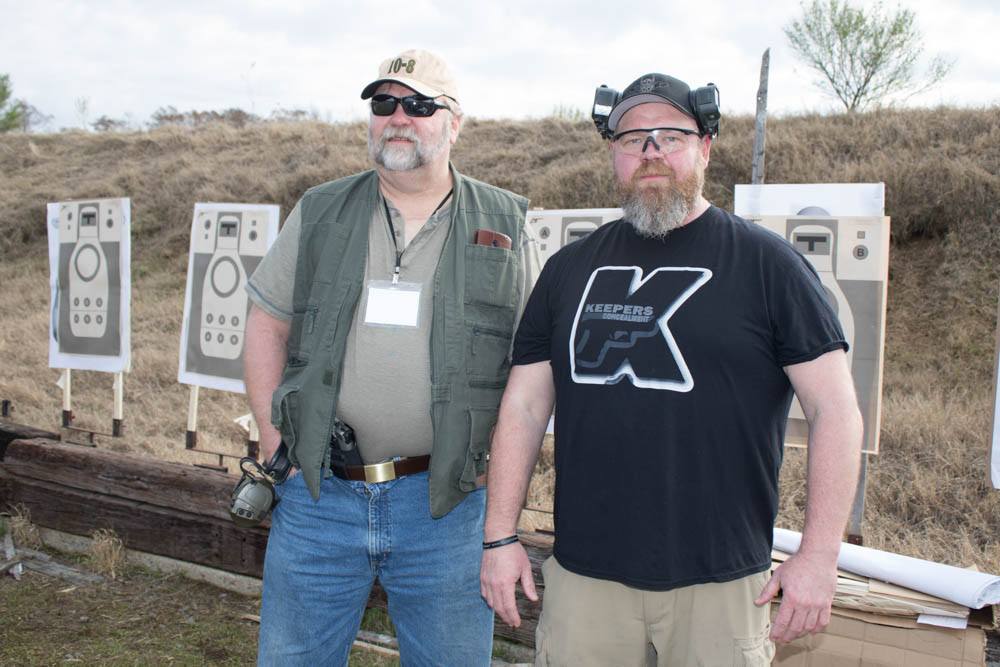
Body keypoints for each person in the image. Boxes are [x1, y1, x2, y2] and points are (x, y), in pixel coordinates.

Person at [480, 72, 863, 666]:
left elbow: (834, 409)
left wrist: (819, 554)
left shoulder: (770, 267)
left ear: (705, 148)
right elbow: (525, 407)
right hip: (588, 577)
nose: (651, 152)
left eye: (671, 136)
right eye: (633, 138)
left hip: (722, 581)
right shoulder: (567, 270)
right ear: (613, 153)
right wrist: (500, 536)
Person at [244, 48, 537, 666]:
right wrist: (278, 448)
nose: (399, 117)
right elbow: (266, 324)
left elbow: (530, 374)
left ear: (454, 123)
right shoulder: (321, 210)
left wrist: (498, 501)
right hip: (319, 494)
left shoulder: (505, 223)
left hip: (448, 504)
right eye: (385, 103)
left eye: (420, 105)